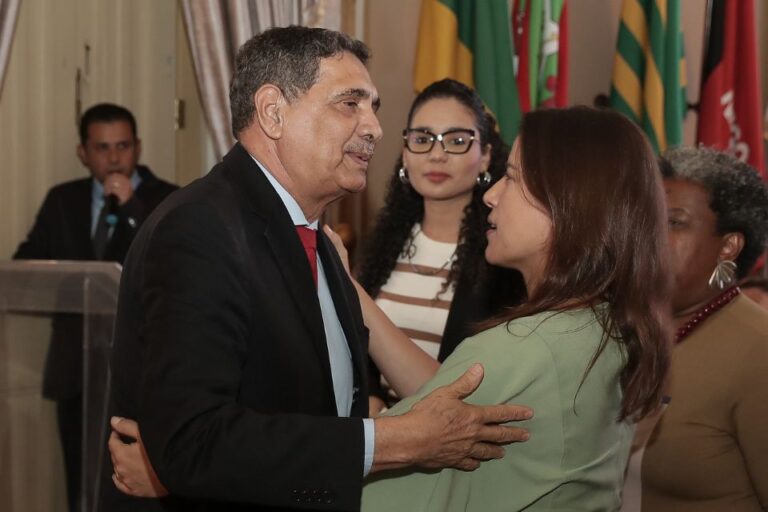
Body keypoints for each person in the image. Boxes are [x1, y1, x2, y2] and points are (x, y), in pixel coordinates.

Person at [108, 106, 672, 510]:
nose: (492, 193)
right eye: (348, 103)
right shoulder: (600, 326)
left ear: (571, 206)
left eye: (513, 178)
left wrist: (184, 474)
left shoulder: (524, 350)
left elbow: (367, 489)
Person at [103, 26, 531, 512]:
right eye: (349, 103)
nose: (375, 128)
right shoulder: (201, 228)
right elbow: (193, 441)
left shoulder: (316, 236)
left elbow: (313, 408)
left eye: (373, 107)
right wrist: (393, 440)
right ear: (273, 112)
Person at [13, 102, 177, 511]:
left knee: (133, 490)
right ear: (83, 152)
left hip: (141, 372)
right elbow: (26, 269)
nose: (114, 158)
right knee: (80, 484)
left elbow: (173, 267)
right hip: (75, 367)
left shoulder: (168, 198)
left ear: (138, 147)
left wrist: (133, 210)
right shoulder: (62, 200)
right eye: (102, 148)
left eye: (123, 146)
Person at [356, 78, 525, 411]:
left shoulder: (503, 258)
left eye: (456, 141)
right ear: (405, 153)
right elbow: (357, 348)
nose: (436, 155)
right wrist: (373, 403)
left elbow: (475, 389)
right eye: (422, 139)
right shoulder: (381, 245)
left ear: (486, 155)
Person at [621, 147, 768, 511]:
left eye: (674, 222)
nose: (649, 234)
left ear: (729, 247)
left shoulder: (759, 351)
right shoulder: (624, 330)